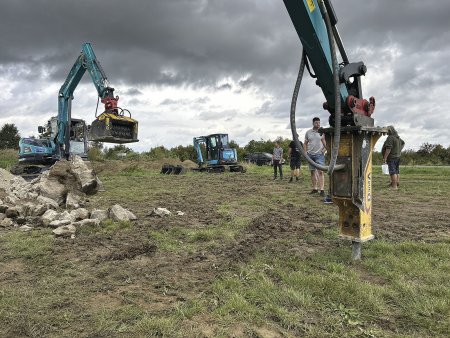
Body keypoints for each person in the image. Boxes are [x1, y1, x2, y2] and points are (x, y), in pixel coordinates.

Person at [304, 117, 327, 196]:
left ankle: (322, 190)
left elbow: (324, 142)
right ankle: (315, 188)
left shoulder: (322, 132)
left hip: (319, 155)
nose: (318, 124)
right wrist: (305, 152)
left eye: (319, 123)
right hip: (310, 155)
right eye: (316, 123)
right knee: (312, 172)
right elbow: (305, 143)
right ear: (313, 123)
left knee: (321, 172)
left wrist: (325, 150)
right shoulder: (308, 132)